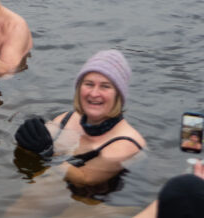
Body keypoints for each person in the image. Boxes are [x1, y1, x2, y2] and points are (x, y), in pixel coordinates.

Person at [15, 49, 145, 188]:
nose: (94, 93)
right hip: (57, 187)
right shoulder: (67, 118)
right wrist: (28, 138)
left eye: (105, 86)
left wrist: (47, 154)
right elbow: (39, 143)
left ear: (118, 96)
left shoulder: (127, 143)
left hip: (95, 201)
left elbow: (85, 178)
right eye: (89, 84)